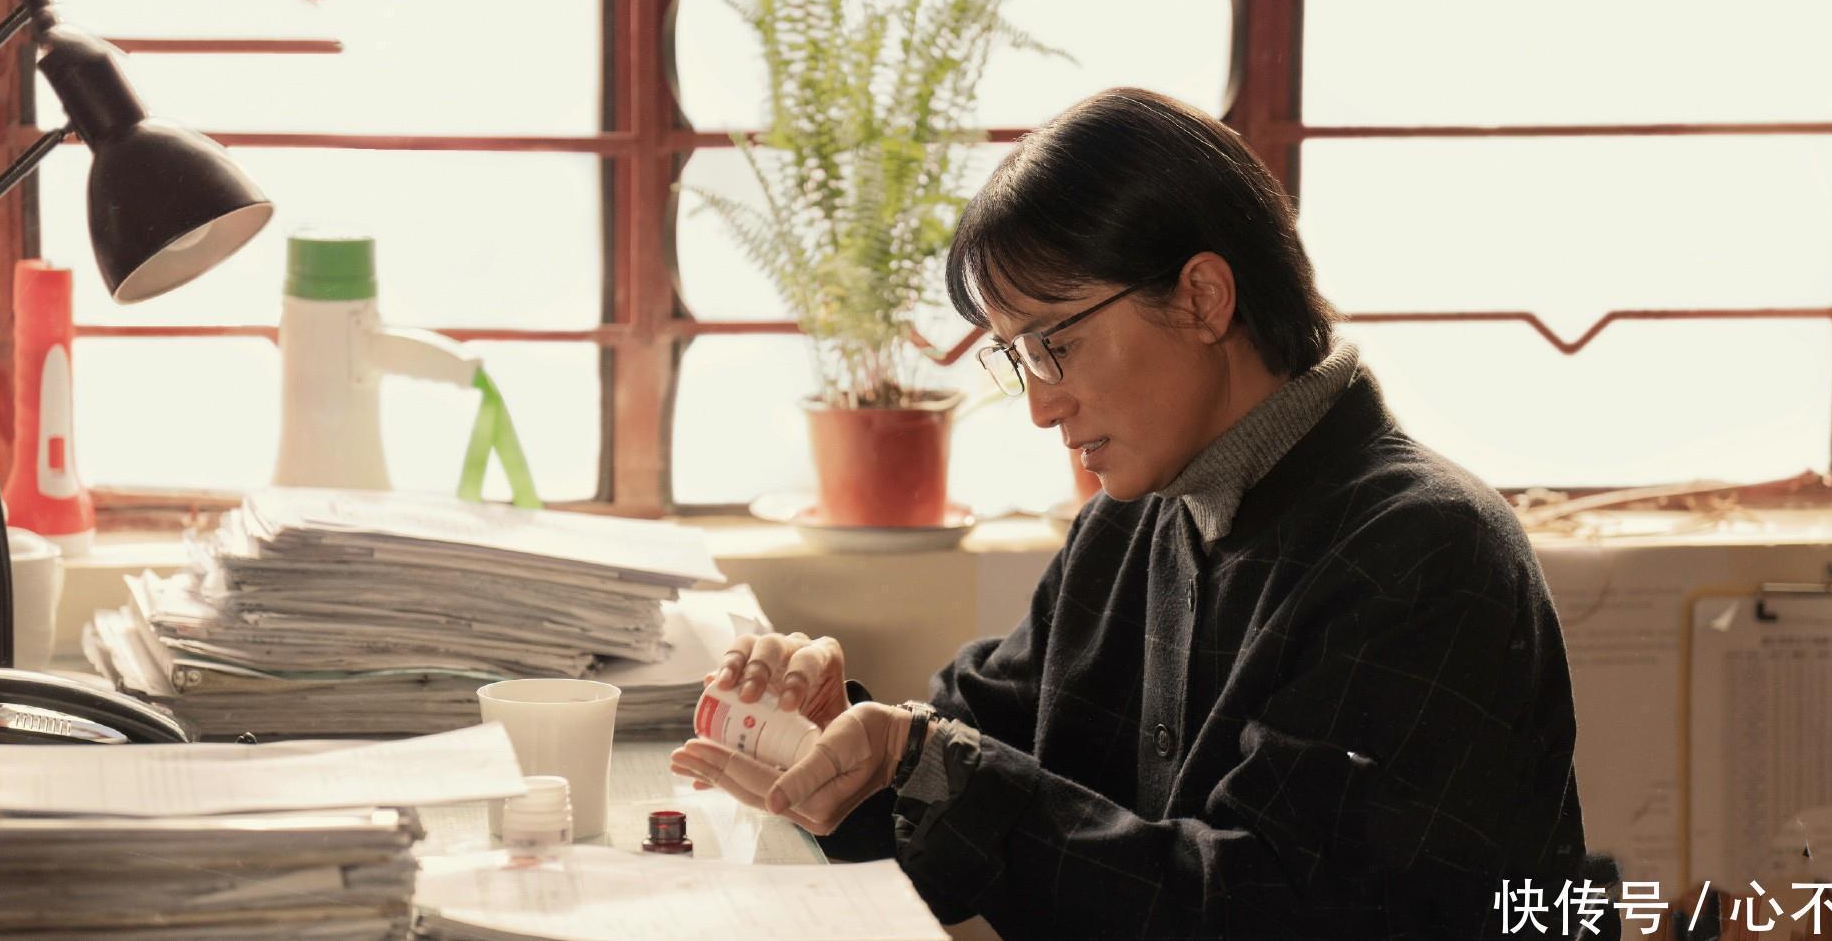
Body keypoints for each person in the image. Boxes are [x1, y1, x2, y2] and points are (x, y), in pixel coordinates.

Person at [672, 87, 1607, 939]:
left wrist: (928, 762)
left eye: (1056, 343)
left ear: (1202, 298)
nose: (1041, 406)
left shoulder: (1424, 553)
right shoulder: (1128, 526)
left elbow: (1268, 913)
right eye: (1018, 358)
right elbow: (972, 765)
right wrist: (838, 745)